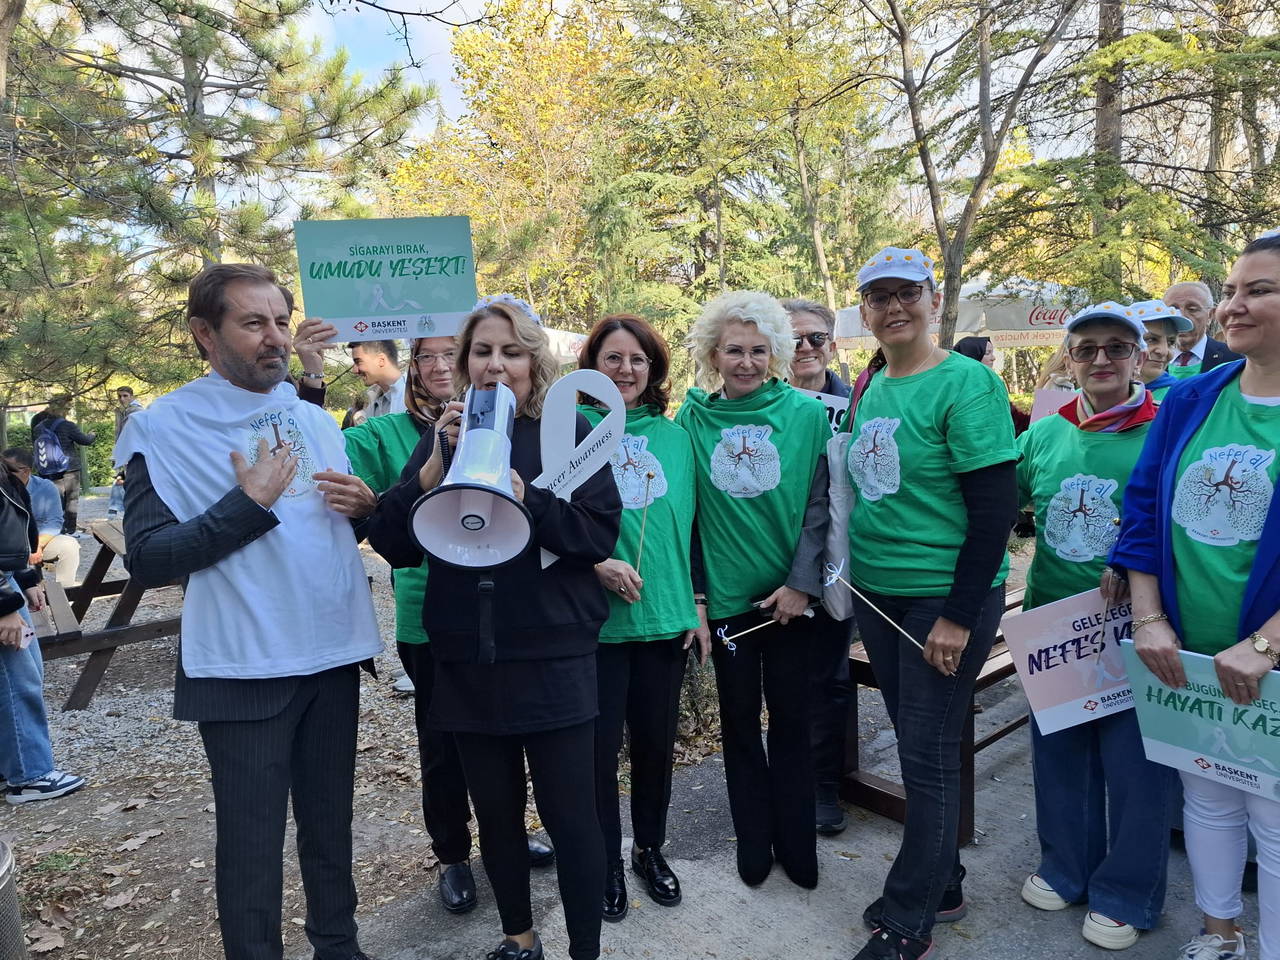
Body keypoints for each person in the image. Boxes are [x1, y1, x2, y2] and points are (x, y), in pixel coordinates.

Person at [117, 263, 383, 960]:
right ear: (205, 334)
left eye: (281, 322)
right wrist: (247, 504)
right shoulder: (162, 428)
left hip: (331, 654)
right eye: (254, 323)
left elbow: (326, 528)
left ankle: (340, 946)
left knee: (330, 828)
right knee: (251, 846)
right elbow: (148, 558)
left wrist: (365, 508)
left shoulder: (311, 417)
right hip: (242, 668)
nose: (276, 338)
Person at [365, 294, 620, 960]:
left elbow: (597, 536)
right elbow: (395, 544)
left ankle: (585, 950)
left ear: (534, 362)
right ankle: (520, 938)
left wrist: (528, 498)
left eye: (512, 352)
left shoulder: (569, 431)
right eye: (482, 352)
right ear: (464, 364)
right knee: (496, 816)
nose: (496, 364)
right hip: (467, 659)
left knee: (571, 818)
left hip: (554, 655)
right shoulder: (442, 435)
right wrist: (430, 470)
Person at [843, 248, 1018, 960]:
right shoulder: (872, 383)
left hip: (941, 597)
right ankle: (943, 885)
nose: (894, 307)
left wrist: (957, 615)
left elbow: (995, 511)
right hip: (876, 590)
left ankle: (910, 919)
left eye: (906, 293)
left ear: (933, 298)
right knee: (921, 736)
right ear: (864, 311)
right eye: (879, 297)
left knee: (926, 753)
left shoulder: (967, 384)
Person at [1115, 234, 1280, 960]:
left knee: (1275, 817)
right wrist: (1149, 618)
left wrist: (1268, 644)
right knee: (1207, 797)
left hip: (1269, 662)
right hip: (1187, 655)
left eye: (1259, 290)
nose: (1233, 305)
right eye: (1232, 290)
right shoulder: (1191, 398)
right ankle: (1219, 935)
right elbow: (1143, 509)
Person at [1015, 302, 1173, 951]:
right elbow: (1003, 503)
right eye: (1086, 349)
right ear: (1069, 359)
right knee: (1060, 755)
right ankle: (1065, 868)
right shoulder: (1045, 433)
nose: (1101, 360)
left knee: (1136, 766)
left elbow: (1180, 526)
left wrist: (1136, 566)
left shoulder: (1168, 428)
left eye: (1116, 347)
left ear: (1139, 356)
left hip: (1138, 628)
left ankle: (1127, 893)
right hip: (1055, 623)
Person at [677, 291, 830, 890]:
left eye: (758, 351)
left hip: (790, 602)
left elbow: (821, 506)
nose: (746, 362)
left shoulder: (807, 415)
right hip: (728, 605)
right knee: (739, 724)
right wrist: (697, 598)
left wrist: (802, 584)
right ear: (713, 355)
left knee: (793, 721)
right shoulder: (693, 421)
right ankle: (753, 838)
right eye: (734, 350)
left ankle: (797, 840)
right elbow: (686, 517)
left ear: (777, 354)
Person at [577, 314, 706, 922]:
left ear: (653, 369)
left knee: (655, 748)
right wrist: (595, 562)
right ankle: (604, 859)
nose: (625, 370)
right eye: (613, 358)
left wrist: (698, 604)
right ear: (592, 367)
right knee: (598, 756)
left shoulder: (678, 439)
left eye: (637, 360)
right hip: (596, 627)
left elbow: (698, 528)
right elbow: (548, 522)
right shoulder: (571, 433)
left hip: (665, 620)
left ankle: (649, 850)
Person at [781, 298, 856, 836]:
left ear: (832, 343)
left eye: (815, 338)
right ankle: (786, 780)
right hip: (771, 558)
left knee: (829, 676)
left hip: (837, 563)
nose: (805, 348)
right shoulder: (763, 404)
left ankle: (825, 784)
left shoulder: (858, 404)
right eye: (793, 340)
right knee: (782, 679)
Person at [0, 456, 85, 804]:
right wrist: (4, 605)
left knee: (23, 674)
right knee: (15, 682)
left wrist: (26, 579)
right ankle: (29, 775)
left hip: (10, 581)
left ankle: (11, 766)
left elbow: (10, 537)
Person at [1, 449, 80, 587]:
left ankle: (65, 592)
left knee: (69, 545)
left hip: (40, 541)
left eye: (8, 470)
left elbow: (54, 522)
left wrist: (36, 544)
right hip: (9, 547)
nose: (3, 474)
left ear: (26, 471)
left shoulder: (45, 487)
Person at [31, 396, 96, 535]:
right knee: (71, 500)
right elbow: (85, 441)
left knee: (53, 500)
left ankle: (55, 529)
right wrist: (92, 435)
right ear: (64, 409)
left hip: (47, 469)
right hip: (69, 468)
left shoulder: (38, 427)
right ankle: (70, 530)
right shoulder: (67, 425)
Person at [1163, 281, 1243, 379]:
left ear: (1210, 315)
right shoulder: (1150, 358)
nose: (1182, 317)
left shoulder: (1234, 359)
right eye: (1173, 310)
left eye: (1192, 309)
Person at [954, 335, 1031, 435]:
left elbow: (1012, 418)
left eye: (992, 353)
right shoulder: (971, 389)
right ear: (973, 356)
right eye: (987, 353)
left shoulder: (990, 383)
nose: (993, 358)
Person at [1130, 300, 1193, 402]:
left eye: (1171, 342)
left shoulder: (1181, 396)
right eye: (1151, 340)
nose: (1164, 351)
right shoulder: (1105, 389)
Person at [350, 340, 406, 418]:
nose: (354, 370)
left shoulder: (416, 397)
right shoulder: (372, 402)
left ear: (381, 360)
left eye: (358, 362)